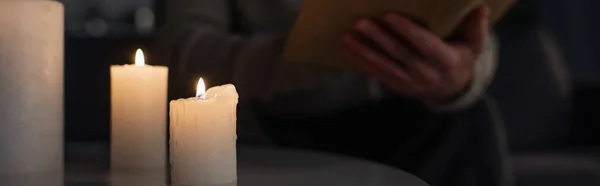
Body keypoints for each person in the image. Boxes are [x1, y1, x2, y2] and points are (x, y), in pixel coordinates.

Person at [153, 1, 513, 186]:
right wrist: (332, 52)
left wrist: (461, 71)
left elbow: (473, 33)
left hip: (412, 118)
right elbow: (183, 52)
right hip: (273, 128)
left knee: (469, 121)